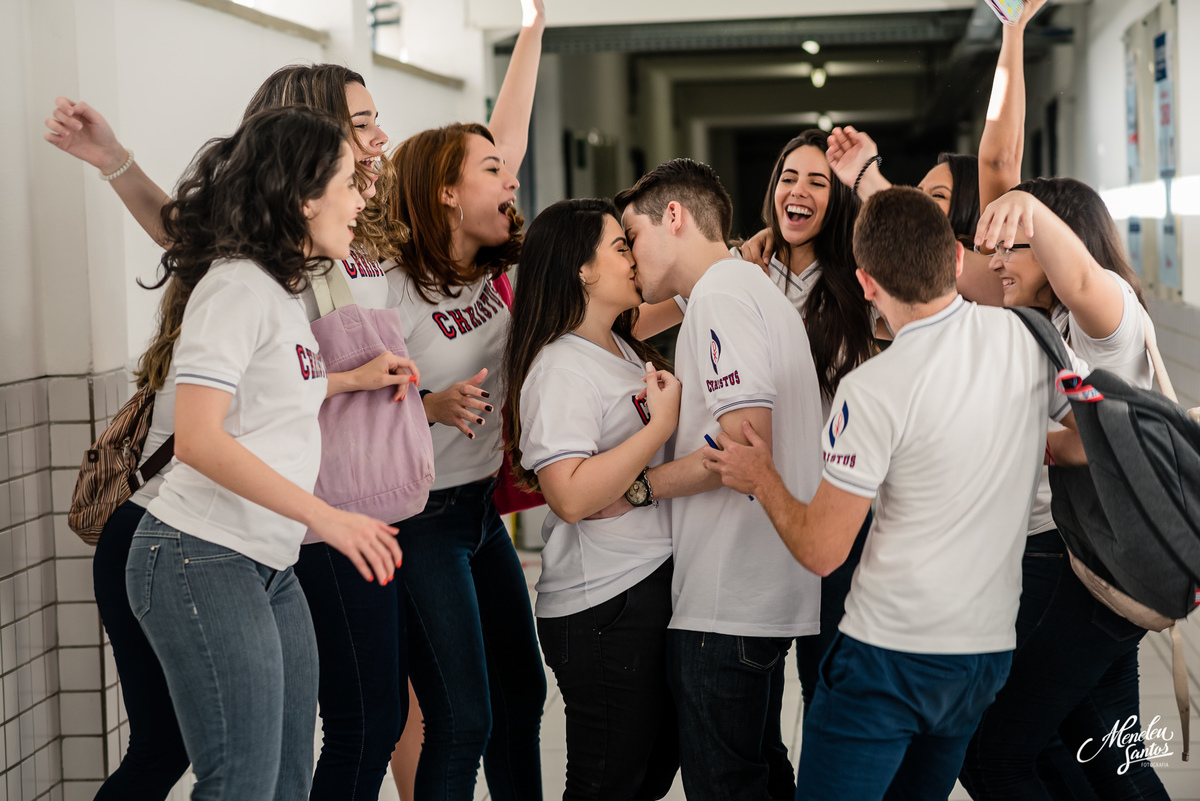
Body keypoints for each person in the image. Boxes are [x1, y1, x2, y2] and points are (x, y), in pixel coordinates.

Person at [43, 64, 416, 801]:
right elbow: (201, 440)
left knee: (282, 779)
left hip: (267, 560)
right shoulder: (237, 287)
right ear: (302, 193)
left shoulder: (282, 288)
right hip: (196, 552)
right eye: (349, 175)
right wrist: (329, 517)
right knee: (238, 779)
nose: (365, 188)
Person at [701, 186, 1083, 801]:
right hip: (984, 653)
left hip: (890, 656)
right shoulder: (1028, 340)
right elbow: (1090, 441)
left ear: (866, 284)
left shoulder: (872, 388)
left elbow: (824, 550)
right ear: (958, 260)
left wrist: (761, 477)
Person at [612, 158, 824, 800]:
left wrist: (635, 487)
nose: (628, 256)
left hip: (729, 597)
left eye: (631, 237)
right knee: (759, 774)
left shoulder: (722, 296)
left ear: (673, 217)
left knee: (727, 785)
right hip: (755, 593)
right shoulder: (742, 286)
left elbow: (743, 447)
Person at [382, 1, 548, 796]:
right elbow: (329, 402)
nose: (509, 178)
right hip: (420, 523)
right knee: (463, 718)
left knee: (524, 698)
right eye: (489, 172)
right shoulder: (387, 287)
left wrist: (532, 29)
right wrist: (430, 404)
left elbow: (506, 135)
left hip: (483, 514)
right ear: (447, 194)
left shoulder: (494, 268)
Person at [958, 179, 1170, 800]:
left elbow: (1078, 281)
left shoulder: (1109, 316)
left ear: (1061, 246)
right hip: (1100, 566)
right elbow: (955, 266)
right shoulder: (1048, 322)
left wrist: (1037, 215)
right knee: (1106, 752)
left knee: (992, 751)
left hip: (1099, 573)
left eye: (1015, 247)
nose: (998, 261)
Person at [504, 198, 682, 800]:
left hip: (640, 585)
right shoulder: (559, 367)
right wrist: (659, 429)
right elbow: (570, 496)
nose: (633, 259)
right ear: (582, 269)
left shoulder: (619, 347)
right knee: (608, 781)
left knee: (648, 775)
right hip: (602, 603)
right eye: (620, 246)